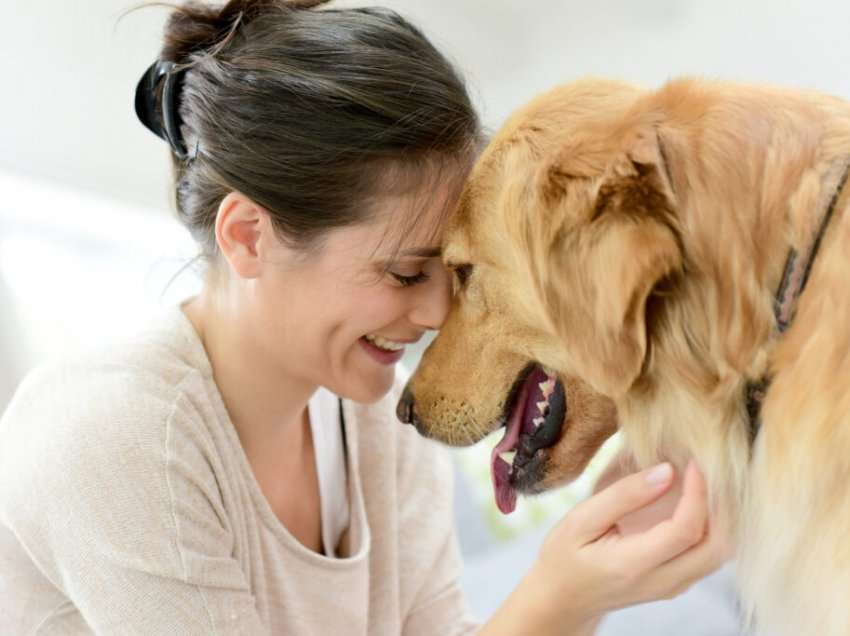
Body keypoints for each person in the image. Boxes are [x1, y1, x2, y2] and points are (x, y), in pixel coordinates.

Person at [0, 1, 730, 634]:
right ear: (248, 237)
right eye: (406, 272)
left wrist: (590, 570)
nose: (440, 312)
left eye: (455, 272)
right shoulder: (112, 439)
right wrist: (559, 596)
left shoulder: (373, 424)